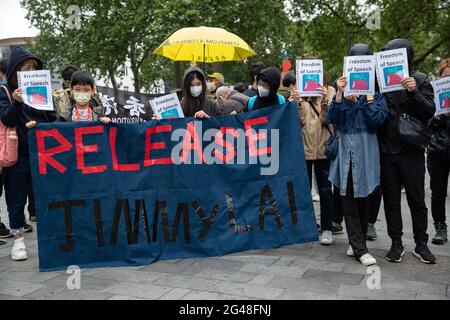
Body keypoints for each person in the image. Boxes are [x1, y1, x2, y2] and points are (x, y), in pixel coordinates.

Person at [327, 44, 388, 266]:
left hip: (367, 154)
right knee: (349, 198)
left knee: (365, 198)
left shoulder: (377, 94)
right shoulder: (341, 90)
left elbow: (378, 120)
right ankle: (361, 248)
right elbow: (332, 117)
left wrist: (369, 98)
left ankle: (357, 242)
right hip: (345, 154)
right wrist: (341, 94)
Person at [378, 39, 437, 264]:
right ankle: (396, 243)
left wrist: (414, 92)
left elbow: (430, 111)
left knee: (417, 199)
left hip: (412, 151)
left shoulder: (420, 80)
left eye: (392, 54)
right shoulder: (382, 82)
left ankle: (421, 244)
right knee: (391, 200)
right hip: (387, 151)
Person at [0, 46, 57, 261]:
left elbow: (52, 119)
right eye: (25, 68)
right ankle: (18, 241)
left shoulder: (42, 89)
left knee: (46, 196)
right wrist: (17, 102)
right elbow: (6, 119)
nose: (30, 72)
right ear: (15, 71)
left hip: (44, 152)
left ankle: (51, 239)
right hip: (18, 155)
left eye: (33, 68)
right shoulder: (5, 92)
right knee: (16, 198)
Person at [295, 57, 336, 245]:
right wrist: (294, 103)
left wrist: (325, 99)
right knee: (303, 190)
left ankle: (327, 227)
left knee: (326, 190)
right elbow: (296, 123)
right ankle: (307, 226)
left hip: (323, 148)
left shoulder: (330, 92)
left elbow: (329, 119)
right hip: (303, 149)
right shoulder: (298, 94)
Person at [427, 58, 450, 245]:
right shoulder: (433, 97)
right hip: (438, 152)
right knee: (438, 192)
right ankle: (440, 227)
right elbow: (427, 126)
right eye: (445, 77)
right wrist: (442, 115)